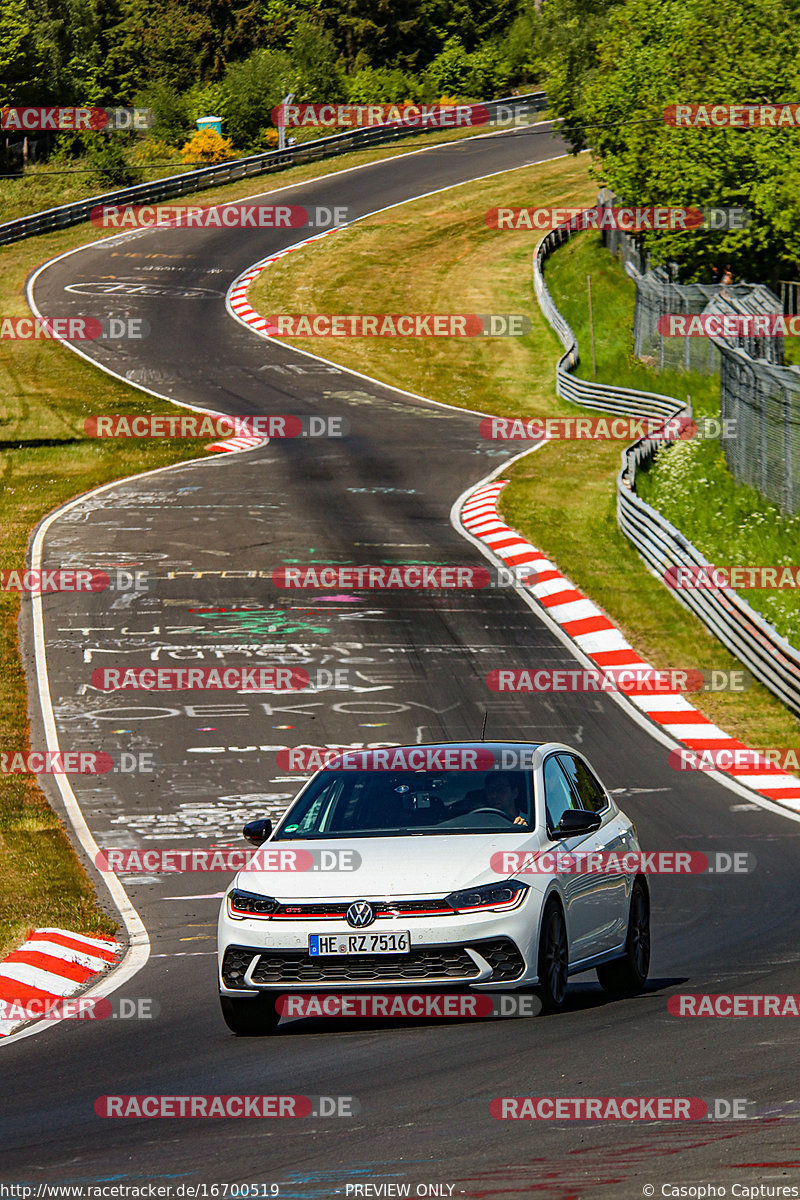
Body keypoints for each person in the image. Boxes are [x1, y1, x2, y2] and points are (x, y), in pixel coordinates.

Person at [454, 771, 529, 825]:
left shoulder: (532, 822)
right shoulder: (477, 822)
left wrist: (524, 829)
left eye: (501, 789)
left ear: (515, 793)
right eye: (490, 790)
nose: (494, 795)